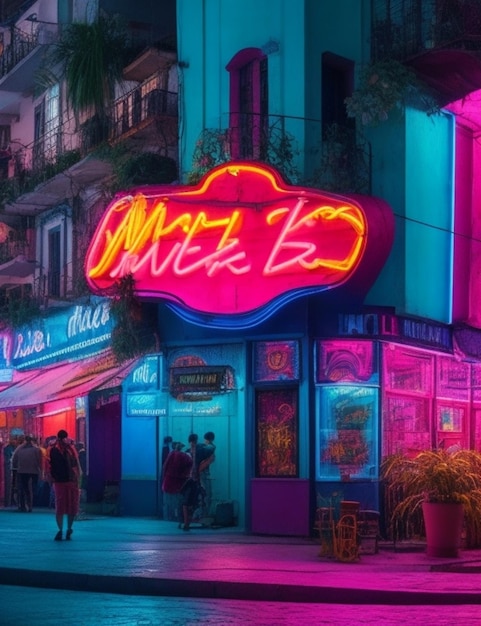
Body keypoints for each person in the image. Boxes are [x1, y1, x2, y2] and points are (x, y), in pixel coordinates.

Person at [47, 430, 82, 541]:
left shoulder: (53, 449)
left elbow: (49, 466)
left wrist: (51, 479)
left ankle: (61, 530)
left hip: (60, 482)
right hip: (70, 481)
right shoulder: (70, 449)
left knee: (60, 506)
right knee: (71, 506)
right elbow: (77, 465)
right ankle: (68, 529)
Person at [11, 435, 43, 512]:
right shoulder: (37, 449)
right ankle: (30, 505)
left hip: (22, 471)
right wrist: (41, 471)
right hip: (33, 471)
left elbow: (14, 460)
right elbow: (40, 461)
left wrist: (16, 467)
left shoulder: (19, 449)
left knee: (23, 489)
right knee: (32, 489)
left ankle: (23, 506)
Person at [161, 442, 193, 523]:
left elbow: (165, 467)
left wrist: (164, 477)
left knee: (169, 502)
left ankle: (169, 516)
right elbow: (190, 464)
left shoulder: (171, 454)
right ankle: (179, 518)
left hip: (168, 482)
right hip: (179, 483)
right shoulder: (185, 456)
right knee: (179, 502)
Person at [180, 433, 201, 531]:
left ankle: (186, 522)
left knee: (187, 502)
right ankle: (187, 522)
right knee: (190, 502)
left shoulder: (187, 452)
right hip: (193, 480)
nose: (193, 444)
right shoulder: (198, 452)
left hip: (188, 479)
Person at [198, 432, 216, 517]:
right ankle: (204, 513)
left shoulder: (205, 447)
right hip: (203, 472)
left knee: (205, 493)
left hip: (202, 472)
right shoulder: (210, 448)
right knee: (207, 494)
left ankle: (204, 513)